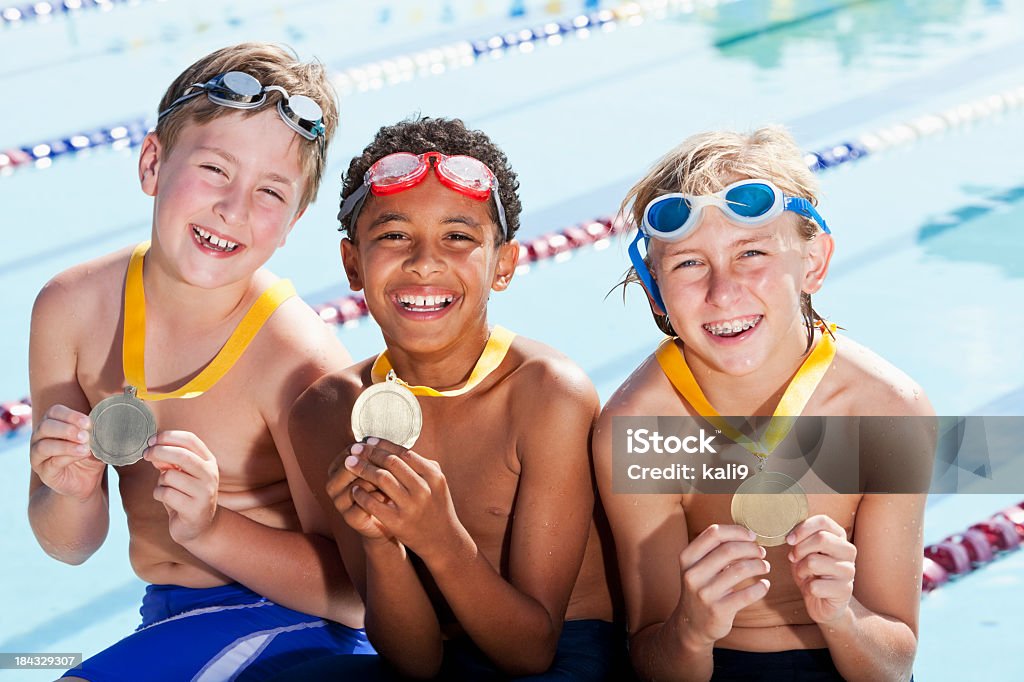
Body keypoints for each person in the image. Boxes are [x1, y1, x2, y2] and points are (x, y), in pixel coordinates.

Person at [28, 42, 371, 682]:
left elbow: (356, 598)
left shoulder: (298, 362)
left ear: (294, 220)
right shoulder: (69, 309)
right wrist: (68, 490)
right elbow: (67, 545)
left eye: (271, 190)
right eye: (215, 169)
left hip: (301, 630)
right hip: (170, 622)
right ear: (153, 161)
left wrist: (212, 529)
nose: (233, 207)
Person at [281, 116, 618, 680]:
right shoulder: (324, 414)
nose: (424, 261)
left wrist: (437, 538)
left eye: (458, 237)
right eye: (393, 235)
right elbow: (415, 660)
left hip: (563, 654)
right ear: (352, 264)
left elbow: (530, 652)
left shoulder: (545, 396)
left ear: (504, 264)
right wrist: (383, 546)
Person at [593, 127, 935, 681]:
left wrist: (841, 616)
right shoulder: (638, 426)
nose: (723, 293)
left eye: (751, 253)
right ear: (654, 286)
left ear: (814, 262)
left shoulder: (885, 410)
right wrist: (690, 628)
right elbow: (652, 663)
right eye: (688, 264)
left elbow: (893, 665)